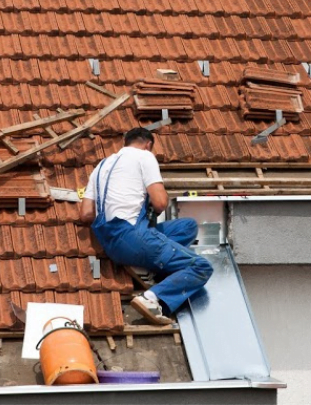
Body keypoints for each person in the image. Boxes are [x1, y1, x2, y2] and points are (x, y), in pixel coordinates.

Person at [80, 127, 213, 325]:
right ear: (148, 145)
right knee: (201, 266)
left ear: (125, 142)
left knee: (187, 227)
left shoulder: (101, 166)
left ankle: (147, 264)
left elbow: (86, 213)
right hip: (134, 237)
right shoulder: (144, 157)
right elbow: (160, 203)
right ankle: (151, 298)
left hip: (110, 241)